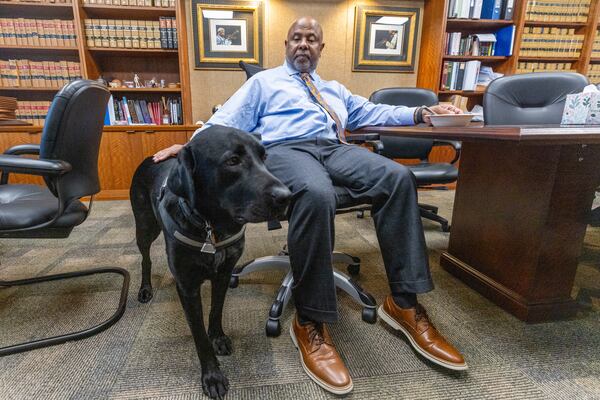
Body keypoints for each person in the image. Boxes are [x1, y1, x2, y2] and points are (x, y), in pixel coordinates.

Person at [154, 16, 466, 395]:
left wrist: (420, 113)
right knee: (317, 193)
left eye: (312, 39)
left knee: (398, 178)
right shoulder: (263, 82)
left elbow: (373, 112)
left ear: (321, 49)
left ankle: (404, 302)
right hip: (286, 149)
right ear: (286, 45)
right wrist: (188, 147)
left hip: (334, 147)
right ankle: (311, 321)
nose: (304, 44)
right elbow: (225, 122)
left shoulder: (335, 89)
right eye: (297, 38)